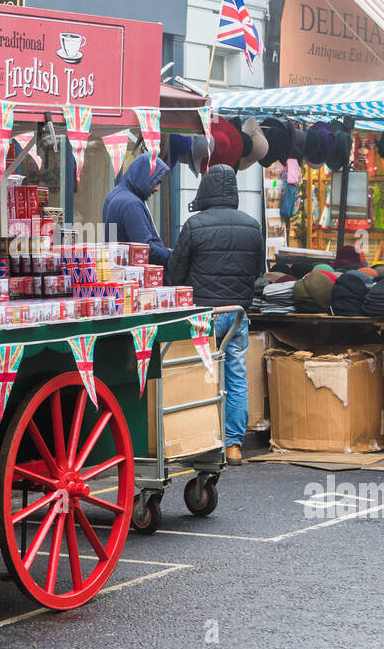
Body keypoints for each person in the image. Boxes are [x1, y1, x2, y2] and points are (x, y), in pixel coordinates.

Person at [166, 164, 266, 466]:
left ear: (205, 190)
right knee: (236, 377)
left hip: (202, 316)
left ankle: (199, 440)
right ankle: (234, 445)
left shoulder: (195, 225)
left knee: (196, 376)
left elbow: (175, 274)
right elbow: (258, 273)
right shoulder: (252, 226)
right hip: (237, 314)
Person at [102, 152, 171, 266]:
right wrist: (170, 254)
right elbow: (145, 250)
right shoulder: (132, 204)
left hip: (118, 269)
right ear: (144, 176)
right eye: (156, 182)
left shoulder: (113, 196)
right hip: (134, 276)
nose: (157, 189)